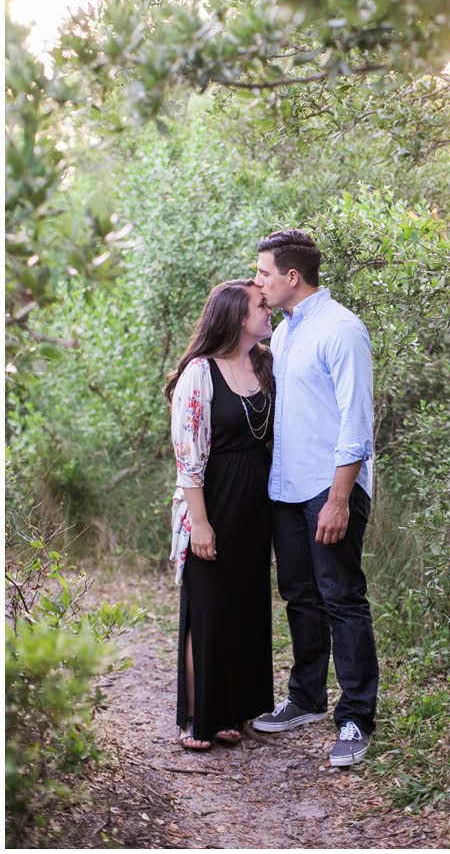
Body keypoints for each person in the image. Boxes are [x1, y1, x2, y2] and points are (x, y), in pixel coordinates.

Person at [249, 228, 379, 767]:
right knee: (300, 598)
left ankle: (355, 718)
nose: (258, 283)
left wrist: (340, 498)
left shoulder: (341, 329)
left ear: (292, 277)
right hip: (286, 488)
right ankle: (305, 698)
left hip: (330, 490)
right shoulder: (283, 333)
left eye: (263, 274)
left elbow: (357, 422)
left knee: (341, 599)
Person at [167, 279, 276, 751]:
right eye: (260, 304)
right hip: (213, 502)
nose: (268, 310)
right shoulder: (200, 373)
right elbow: (187, 458)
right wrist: (202, 523)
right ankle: (199, 717)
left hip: (259, 507)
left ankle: (234, 711)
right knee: (207, 611)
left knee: (245, 608)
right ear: (236, 316)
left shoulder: (266, 364)